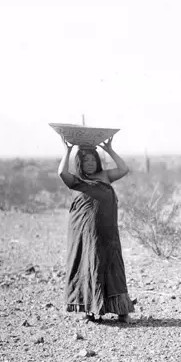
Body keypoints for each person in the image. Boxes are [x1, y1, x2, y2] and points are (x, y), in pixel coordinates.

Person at [58, 137, 135, 323]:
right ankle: (89, 308)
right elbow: (61, 172)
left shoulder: (105, 176)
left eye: (93, 159)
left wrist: (109, 149)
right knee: (88, 264)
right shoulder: (76, 181)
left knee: (112, 265)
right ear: (80, 163)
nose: (90, 163)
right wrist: (67, 150)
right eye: (86, 160)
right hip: (86, 233)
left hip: (108, 232)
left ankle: (121, 309)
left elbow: (124, 169)